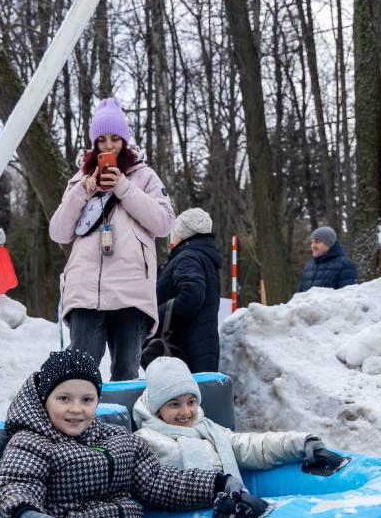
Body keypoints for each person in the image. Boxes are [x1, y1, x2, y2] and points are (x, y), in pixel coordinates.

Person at [0, 348, 270, 518]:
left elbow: (159, 481)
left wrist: (219, 484)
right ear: (44, 399)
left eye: (87, 399)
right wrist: (26, 517)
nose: (76, 409)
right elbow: (12, 486)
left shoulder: (117, 438)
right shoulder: (33, 441)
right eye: (64, 399)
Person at [50, 98, 174, 381]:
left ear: (125, 140)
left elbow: (165, 223)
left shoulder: (145, 176)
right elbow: (58, 232)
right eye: (102, 140)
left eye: (115, 139)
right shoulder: (80, 178)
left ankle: (124, 425)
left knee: (126, 373)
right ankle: (79, 425)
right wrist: (83, 190)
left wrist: (123, 187)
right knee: (80, 374)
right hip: (85, 289)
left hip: (131, 290)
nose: (108, 146)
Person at [132, 357, 345, 481]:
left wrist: (301, 443)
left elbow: (250, 446)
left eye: (191, 402)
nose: (186, 412)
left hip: (227, 506)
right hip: (187, 515)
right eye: (174, 404)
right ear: (157, 408)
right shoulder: (145, 441)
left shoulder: (208, 430)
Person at [152, 207, 224, 373]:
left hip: (183, 349)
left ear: (183, 234)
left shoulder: (188, 256)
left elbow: (192, 295)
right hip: (199, 347)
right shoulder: (203, 256)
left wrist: (157, 315)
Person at [296, 226, 359, 293]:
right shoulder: (309, 266)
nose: (313, 246)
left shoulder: (345, 265)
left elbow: (348, 297)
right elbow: (300, 296)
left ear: (329, 243)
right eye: (312, 242)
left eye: (317, 242)